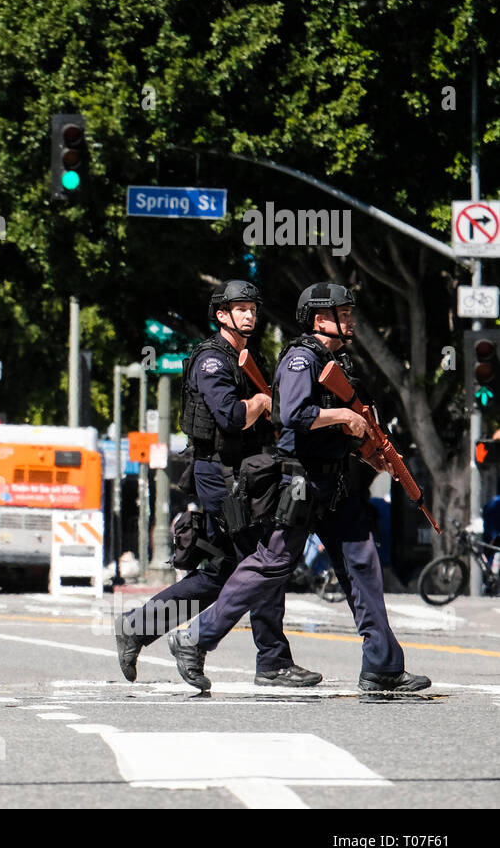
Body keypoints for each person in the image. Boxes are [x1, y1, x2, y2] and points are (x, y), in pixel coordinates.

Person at [168, 283, 431, 693]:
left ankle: (382, 665)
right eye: (342, 314)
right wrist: (342, 414)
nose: (350, 320)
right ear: (319, 318)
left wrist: (371, 451)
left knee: (362, 565)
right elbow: (294, 414)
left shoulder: (338, 360)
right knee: (270, 565)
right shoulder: (300, 358)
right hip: (302, 482)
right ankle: (195, 637)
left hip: (337, 482)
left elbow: (345, 428)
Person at [114, 281, 322, 686]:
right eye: (239, 308)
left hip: (243, 472)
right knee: (263, 562)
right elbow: (229, 417)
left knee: (223, 572)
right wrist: (262, 403)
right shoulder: (212, 360)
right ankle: (270, 661)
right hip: (220, 474)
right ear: (222, 314)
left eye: (252, 309)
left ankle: (137, 627)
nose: (249, 315)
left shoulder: (249, 356)